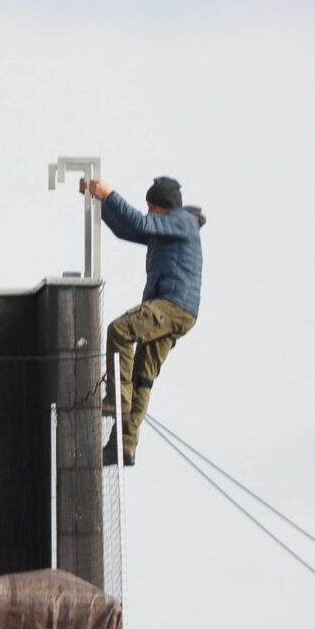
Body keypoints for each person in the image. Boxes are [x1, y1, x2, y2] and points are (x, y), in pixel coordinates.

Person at [79, 175, 204, 466]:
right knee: (142, 378)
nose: (148, 212)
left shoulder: (181, 221)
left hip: (171, 305)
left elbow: (139, 222)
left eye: (151, 207)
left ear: (162, 207)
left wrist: (108, 194)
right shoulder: (169, 227)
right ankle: (123, 446)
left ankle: (117, 398)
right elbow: (128, 228)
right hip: (179, 311)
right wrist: (100, 201)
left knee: (120, 330)